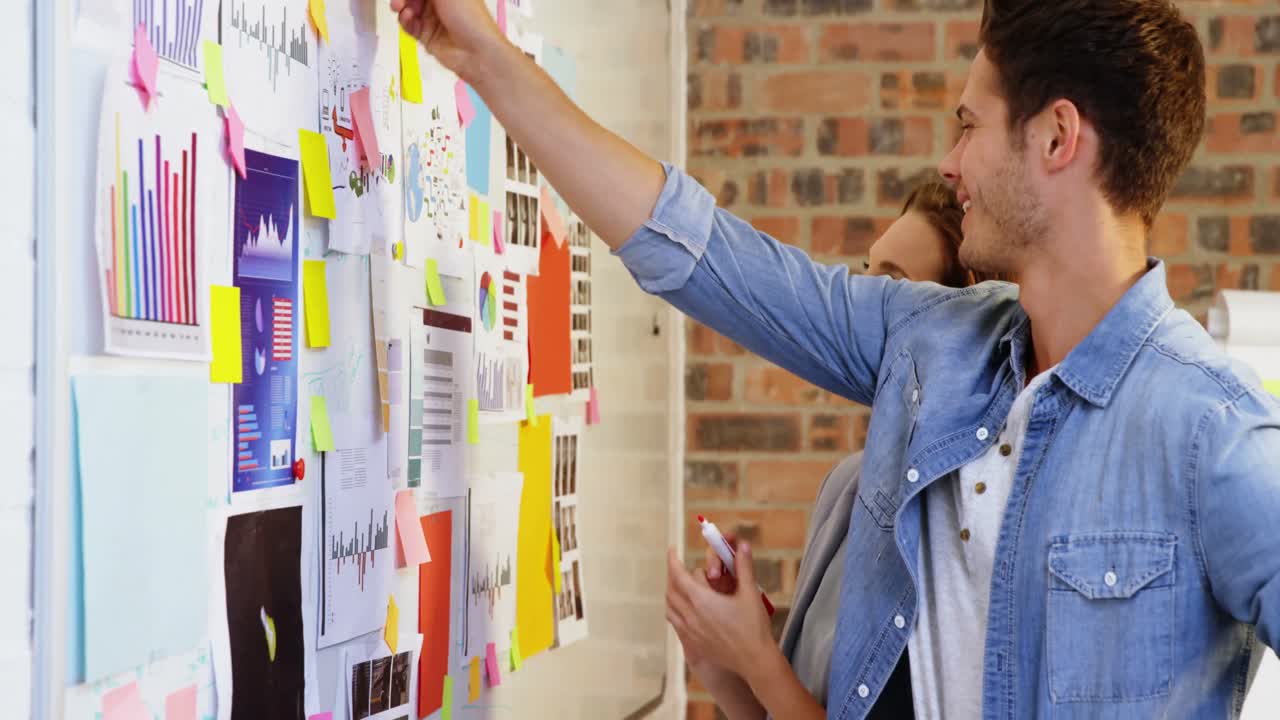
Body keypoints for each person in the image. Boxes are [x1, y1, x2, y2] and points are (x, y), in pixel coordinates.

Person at [393, 0, 1280, 717]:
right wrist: (483, 57)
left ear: (1056, 138)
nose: (949, 160)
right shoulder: (930, 344)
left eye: (970, 124)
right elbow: (701, 253)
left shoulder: (1213, 436)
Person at [680, 182, 993, 720]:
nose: (861, 301)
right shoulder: (847, 489)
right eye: (864, 273)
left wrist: (756, 656)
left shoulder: (968, 524)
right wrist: (718, 658)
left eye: (891, 287)